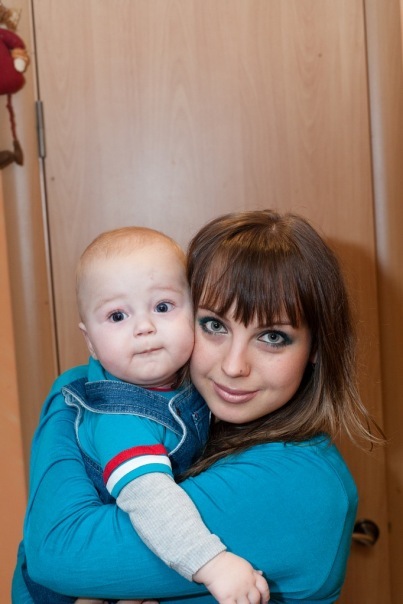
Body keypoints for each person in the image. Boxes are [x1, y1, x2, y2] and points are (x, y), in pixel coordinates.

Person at [13, 209, 384, 604]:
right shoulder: (194, 412)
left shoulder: (300, 483)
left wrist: (73, 396)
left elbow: (56, 551)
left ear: (316, 348)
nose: (234, 366)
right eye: (214, 325)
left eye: (273, 337)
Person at [20, 225, 269, 604]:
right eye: (117, 316)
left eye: (163, 307)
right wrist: (212, 563)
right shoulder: (119, 419)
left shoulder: (192, 380)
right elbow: (149, 497)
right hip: (67, 588)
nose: (144, 327)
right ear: (90, 342)